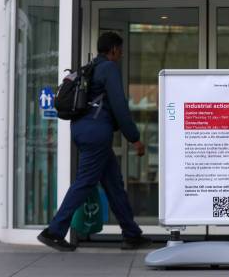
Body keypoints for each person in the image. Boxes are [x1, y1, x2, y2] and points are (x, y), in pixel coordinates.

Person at [38, 31, 151, 251]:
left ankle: (131, 234)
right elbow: (119, 106)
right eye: (121, 50)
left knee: (114, 184)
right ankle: (53, 231)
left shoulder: (88, 68)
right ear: (114, 50)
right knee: (85, 182)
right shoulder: (108, 68)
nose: (122, 55)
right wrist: (134, 139)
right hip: (97, 134)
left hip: (82, 130)